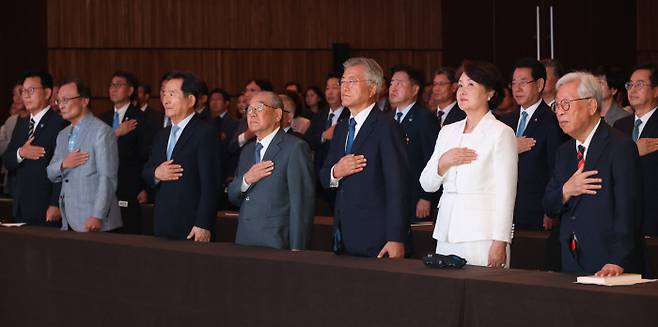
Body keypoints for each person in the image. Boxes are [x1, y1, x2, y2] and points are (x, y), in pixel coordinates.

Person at [420, 60, 517, 268]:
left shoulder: (501, 132)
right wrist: (444, 163)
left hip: (482, 234)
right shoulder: (448, 131)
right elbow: (427, 184)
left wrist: (500, 241)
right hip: (446, 230)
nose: (462, 91)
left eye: (471, 85)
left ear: (490, 92)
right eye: (461, 85)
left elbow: (506, 193)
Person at [545, 72, 643, 276]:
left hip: (608, 263)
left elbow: (628, 209)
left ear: (591, 106)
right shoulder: (564, 153)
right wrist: (566, 190)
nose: (560, 112)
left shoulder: (620, 147)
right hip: (570, 259)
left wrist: (617, 260)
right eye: (557, 106)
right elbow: (549, 205)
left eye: (566, 104)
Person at [320, 57, 411, 258]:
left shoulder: (386, 127)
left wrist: (396, 238)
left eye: (352, 81)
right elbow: (324, 176)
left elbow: (398, 187)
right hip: (342, 234)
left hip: (376, 238)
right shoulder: (342, 128)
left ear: (372, 89)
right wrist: (337, 172)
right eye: (342, 81)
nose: (344, 87)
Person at [228, 91, 315, 250]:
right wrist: (247, 179)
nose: (251, 114)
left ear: (277, 114)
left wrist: (297, 248)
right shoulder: (247, 150)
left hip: (276, 241)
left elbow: (302, 204)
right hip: (244, 239)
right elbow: (233, 196)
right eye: (249, 109)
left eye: (258, 108)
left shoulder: (295, 147)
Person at [142, 71, 220, 241]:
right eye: (164, 94)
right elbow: (146, 171)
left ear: (191, 100)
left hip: (192, 225)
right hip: (163, 222)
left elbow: (211, 184)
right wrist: (156, 173)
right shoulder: (162, 135)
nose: (165, 100)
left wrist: (203, 223)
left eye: (172, 94)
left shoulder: (205, 132)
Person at [498, 58, 566, 231]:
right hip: (505, 208)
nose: (517, 88)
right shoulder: (505, 121)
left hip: (536, 209)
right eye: (514, 83)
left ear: (540, 84)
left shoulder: (553, 122)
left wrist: (551, 210)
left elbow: (556, 169)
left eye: (523, 82)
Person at [47, 78, 122, 232]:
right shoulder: (62, 134)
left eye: (66, 100)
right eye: (58, 100)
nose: (61, 105)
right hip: (68, 219)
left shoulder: (101, 131)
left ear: (84, 101)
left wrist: (97, 215)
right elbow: (50, 173)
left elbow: (107, 178)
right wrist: (64, 164)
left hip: (95, 221)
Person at [3, 71, 69, 226]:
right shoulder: (22, 123)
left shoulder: (59, 124)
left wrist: (55, 204)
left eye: (31, 90)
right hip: (20, 205)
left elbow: (63, 168)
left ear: (47, 92)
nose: (25, 95)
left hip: (46, 207)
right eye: (23, 91)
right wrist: (21, 153)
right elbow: (7, 160)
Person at [388, 64, 440, 222]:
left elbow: (432, 158)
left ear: (415, 89)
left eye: (400, 83)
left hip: (415, 195)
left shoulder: (424, 118)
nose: (393, 88)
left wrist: (426, 197)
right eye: (391, 83)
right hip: (390, 194)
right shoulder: (387, 118)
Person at [100, 71, 149, 234]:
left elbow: (146, 155)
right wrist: (116, 133)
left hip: (130, 187)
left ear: (130, 90)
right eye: (111, 85)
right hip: (105, 188)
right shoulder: (102, 118)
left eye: (118, 85)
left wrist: (144, 187)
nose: (113, 89)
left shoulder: (141, 118)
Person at [614, 64, 658, 237]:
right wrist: (632, 150)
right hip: (622, 217)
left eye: (639, 85)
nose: (632, 90)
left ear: (655, 91)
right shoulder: (620, 125)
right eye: (629, 85)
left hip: (652, 215)